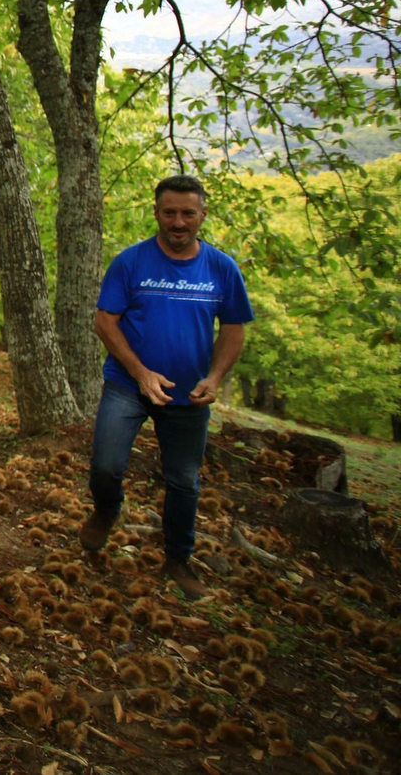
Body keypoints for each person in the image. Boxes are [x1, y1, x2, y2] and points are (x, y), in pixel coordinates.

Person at [79, 174, 254, 598]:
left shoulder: (221, 269)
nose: (178, 222)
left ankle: (178, 560)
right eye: (170, 212)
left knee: (183, 481)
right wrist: (141, 372)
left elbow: (233, 330)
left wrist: (214, 379)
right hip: (127, 385)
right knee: (105, 466)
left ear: (202, 215)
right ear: (156, 212)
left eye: (187, 213)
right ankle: (106, 510)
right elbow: (105, 323)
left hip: (188, 397)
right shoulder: (131, 262)